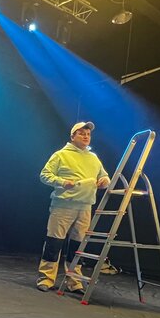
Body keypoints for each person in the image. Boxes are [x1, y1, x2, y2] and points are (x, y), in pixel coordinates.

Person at [37, 120, 110, 293]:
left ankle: (74, 281)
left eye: (88, 134)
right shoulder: (60, 155)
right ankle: (46, 278)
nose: (86, 136)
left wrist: (104, 181)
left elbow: (105, 176)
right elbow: (44, 175)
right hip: (63, 205)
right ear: (72, 136)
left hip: (85, 207)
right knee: (54, 242)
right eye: (81, 133)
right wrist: (62, 182)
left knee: (78, 246)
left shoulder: (93, 158)